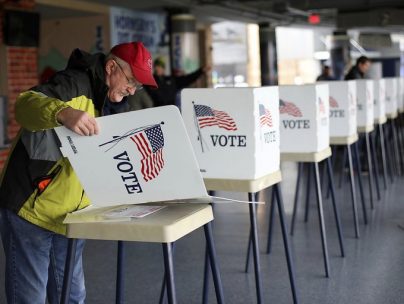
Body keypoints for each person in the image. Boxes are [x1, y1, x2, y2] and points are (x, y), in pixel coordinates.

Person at [0, 41, 157, 303]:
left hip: (73, 214)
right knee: (30, 297)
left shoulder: (118, 105)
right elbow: (25, 105)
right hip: (30, 208)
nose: (133, 89)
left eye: (138, 85)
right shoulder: (73, 83)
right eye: (131, 80)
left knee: (72, 296)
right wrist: (63, 112)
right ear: (111, 67)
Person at [145, 57, 210, 108]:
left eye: (159, 66)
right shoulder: (149, 82)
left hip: (171, 111)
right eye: (156, 66)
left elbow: (188, 79)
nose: (157, 68)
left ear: (163, 68)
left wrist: (201, 71)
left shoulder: (171, 80)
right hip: (156, 111)